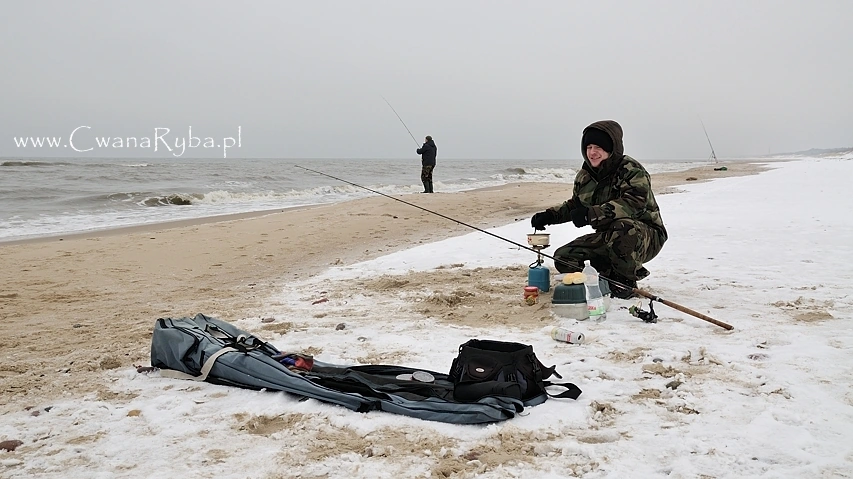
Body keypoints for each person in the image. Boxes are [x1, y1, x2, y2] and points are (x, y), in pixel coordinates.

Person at [530, 120, 667, 299]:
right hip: (609, 236)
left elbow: (633, 203)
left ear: (611, 149)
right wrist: (549, 216)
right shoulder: (584, 176)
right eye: (589, 147)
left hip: (645, 236)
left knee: (623, 227)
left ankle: (625, 281)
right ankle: (606, 276)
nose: (592, 152)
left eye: (598, 147)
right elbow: (575, 205)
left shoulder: (632, 170)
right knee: (563, 257)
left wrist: (590, 215)